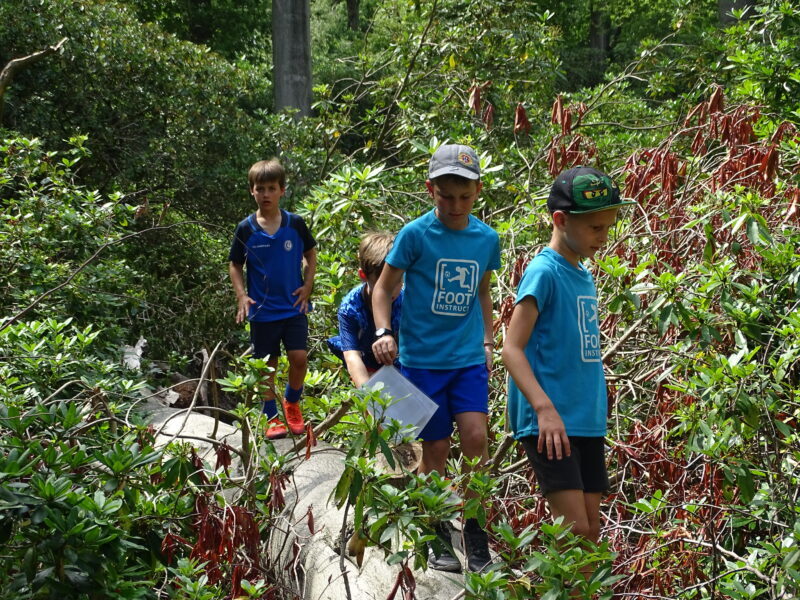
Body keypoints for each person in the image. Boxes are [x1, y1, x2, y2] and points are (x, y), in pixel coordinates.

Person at [371, 144, 501, 573]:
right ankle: (438, 527)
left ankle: (476, 529)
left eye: (464, 196)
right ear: (431, 190)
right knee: (437, 448)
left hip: (466, 358)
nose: (455, 205)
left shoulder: (486, 239)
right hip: (422, 360)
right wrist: (383, 331)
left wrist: (487, 340)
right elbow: (383, 290)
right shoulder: (415, 235)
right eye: (446, 196)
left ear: (478, 191)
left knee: (476, 437)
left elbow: (482, 292)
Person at [502, 166, 634, 552]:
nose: (604, 237)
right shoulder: (543, 271)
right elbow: (512, 348)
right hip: (550, 421)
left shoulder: (583, 274)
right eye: (595, 227)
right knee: (574, 532)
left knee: (590, 533)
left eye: (608, 226)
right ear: (560, 220)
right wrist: (543, 409)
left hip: (585, 419)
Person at [228, 158, 317, 440]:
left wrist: (308, 286)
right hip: (263, 311)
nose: (265, 194)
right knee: (267, 366)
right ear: (252, 191)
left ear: (282, 190)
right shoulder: (246, 228)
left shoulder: (295, 224)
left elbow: (311, 254)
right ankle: (271, 416)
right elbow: (234, 264)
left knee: (299, 358)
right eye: (260, 188)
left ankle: (292, 402)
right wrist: (242, 296)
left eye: (271, 188)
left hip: (293, 306)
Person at [327, 232, 404, 388]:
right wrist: (368, 399)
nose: (392, 290)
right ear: (363, 276)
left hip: (401, 359)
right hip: (366, 357)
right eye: (383, 285)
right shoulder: (350, 309)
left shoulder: (407, 298)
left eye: (397, 282)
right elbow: (352, 356)